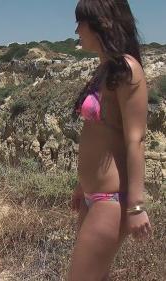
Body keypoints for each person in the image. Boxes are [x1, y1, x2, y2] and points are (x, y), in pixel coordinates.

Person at [68, 0, 152, 280]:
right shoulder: (105, 69)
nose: (77, 29)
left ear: (102, 23)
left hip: (111, 200)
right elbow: (99, 135)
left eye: (81, 22)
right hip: (93, 198)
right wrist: (82, 185)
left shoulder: (128, 70)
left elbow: (135, 140)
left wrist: (136, 206)